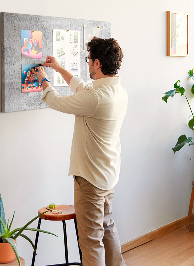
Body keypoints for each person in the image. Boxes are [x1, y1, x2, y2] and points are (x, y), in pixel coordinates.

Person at [32, 37, 127, 266]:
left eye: (88, 61)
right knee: (107, 229)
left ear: (96, 63)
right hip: (107, 175)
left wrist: (43, 79)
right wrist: (58, 68)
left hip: (90, 179)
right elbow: (82, 87)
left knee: (91, 241)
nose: (87, 65)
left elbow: (57, 101)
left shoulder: (95, 98)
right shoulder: (118, 92)